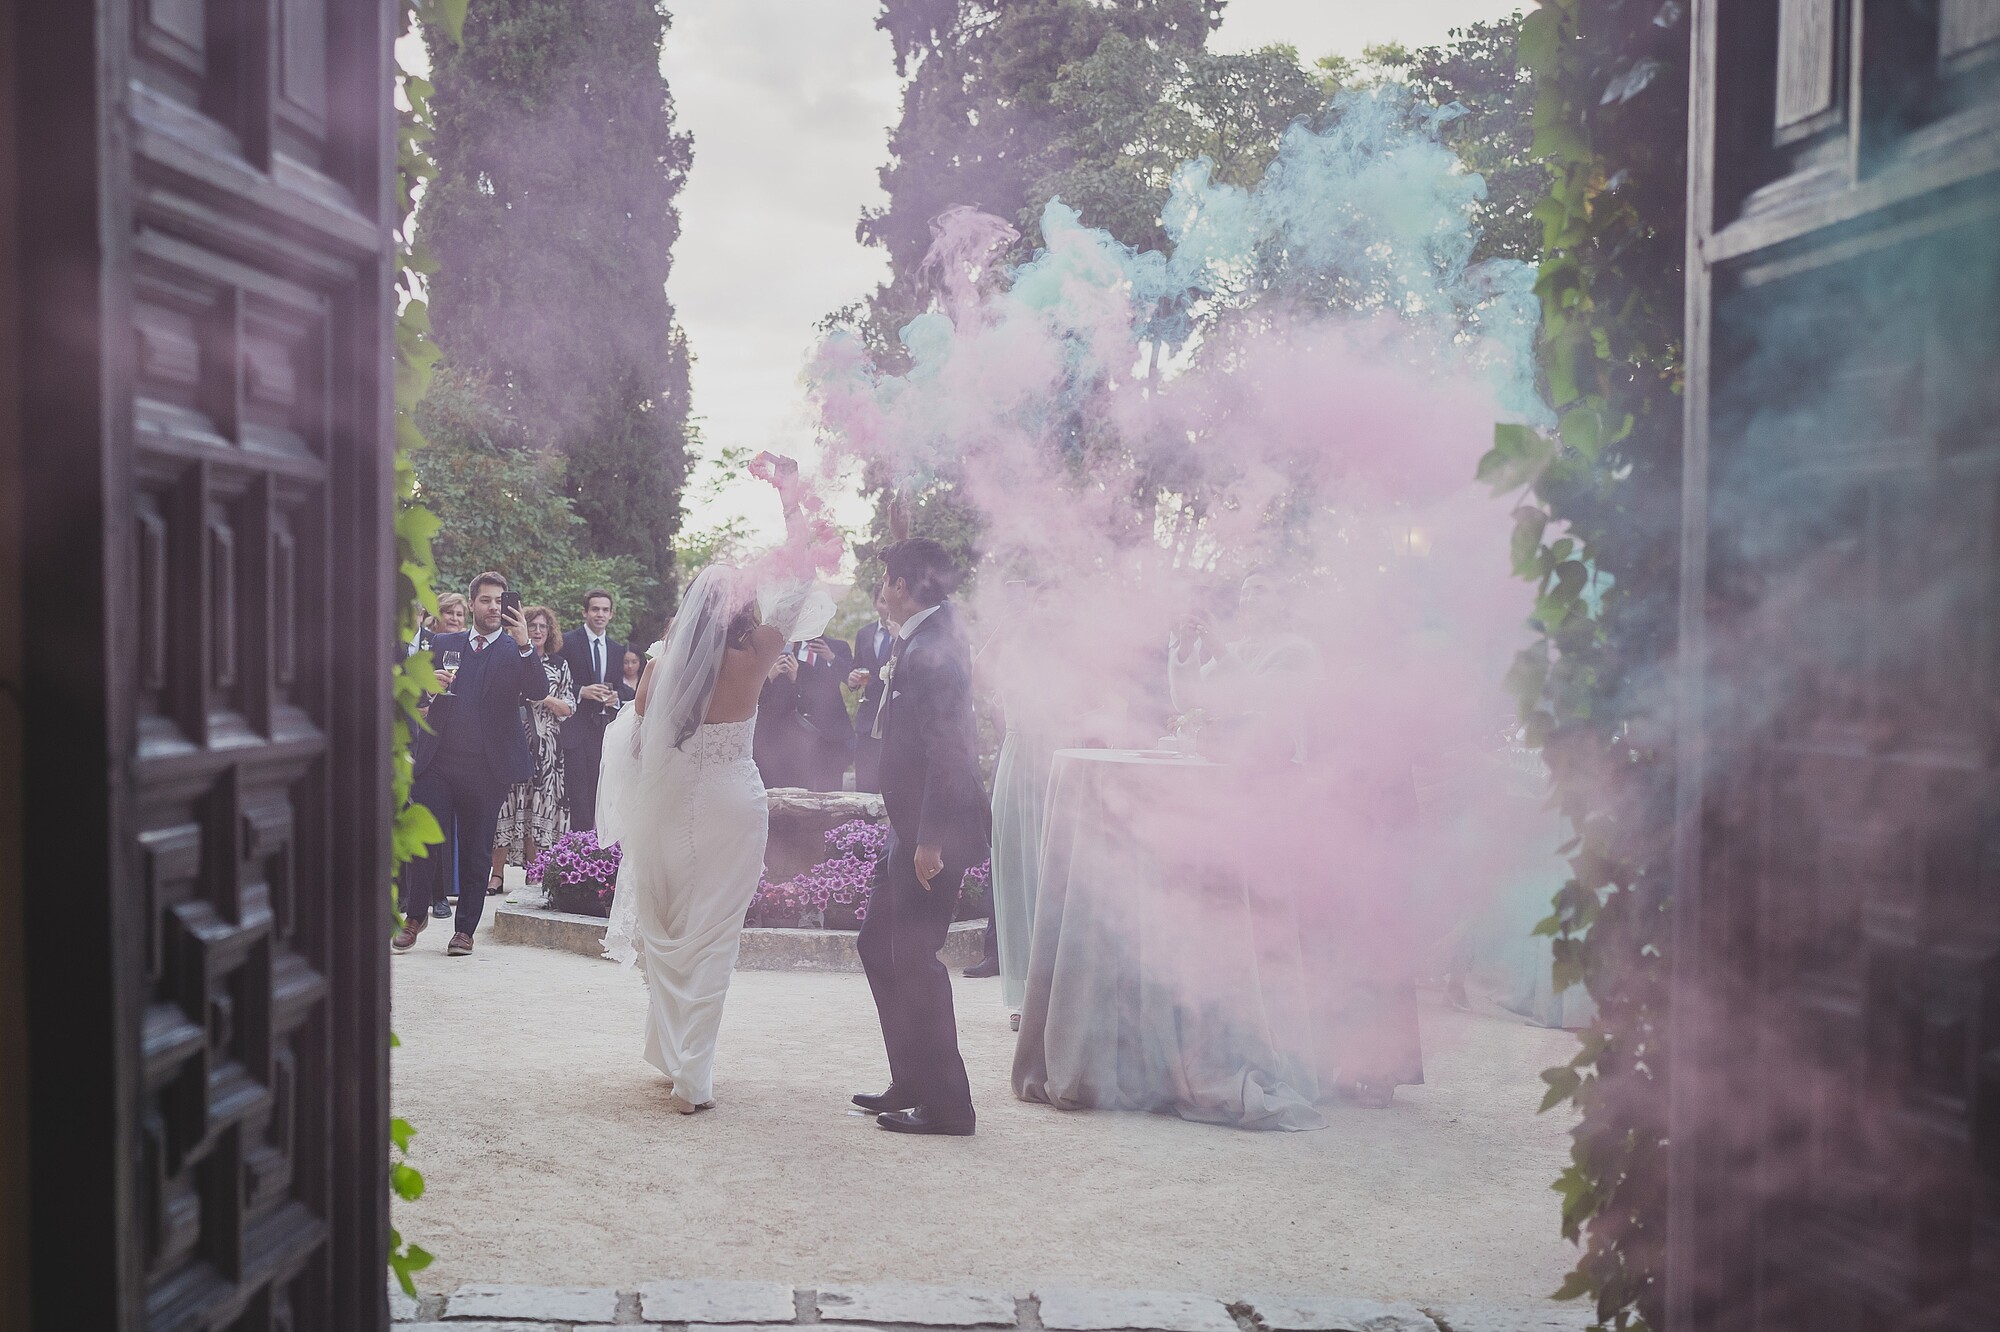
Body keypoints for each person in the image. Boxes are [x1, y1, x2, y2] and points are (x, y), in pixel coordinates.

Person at [598, 455, 836, 1113]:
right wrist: (791, 497)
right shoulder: (759, 652)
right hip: (734, 803)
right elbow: (803, 576)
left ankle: (675, 1055)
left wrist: (661, 649)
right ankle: (692, 1075)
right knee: (715, 938)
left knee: (672, 926)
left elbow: (640, 727)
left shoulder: (662, 664)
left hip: (674, 802)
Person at [852, 538, 989, 1136]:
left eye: (886, 578)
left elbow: (951, 751)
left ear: (905, 584)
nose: (881, 589)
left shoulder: (938, 647)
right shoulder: (923, 636)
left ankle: (948, 1106)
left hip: (933, 834)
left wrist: (929, 841)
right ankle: (910, 1078)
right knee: (877, 946)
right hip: (907, 828)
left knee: (913, 956)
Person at [393, 572, 550, 957]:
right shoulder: (444, 642)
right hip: (437, 763)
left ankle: (464, 931)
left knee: (476, 850)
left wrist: (526, 643)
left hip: (486, 768)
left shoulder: (517, 649)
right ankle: (415, 917)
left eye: (499, 601)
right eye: (485, 600)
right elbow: (415, 695)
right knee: (422, 842)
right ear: (473, 603)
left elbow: (538, 691)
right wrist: (429, 686)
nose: (493, 607)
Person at [492, 606, 577, 894]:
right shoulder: (509, 658)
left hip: (547, 750)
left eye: (543, 626)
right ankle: (497, 874)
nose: (538, 631)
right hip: (511, 740)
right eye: (533, 626)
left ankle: (535, 871)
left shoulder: (559, 665)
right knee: (507, 804)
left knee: (538, 807)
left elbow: (569, 707)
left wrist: (544, 696)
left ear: (549, 631)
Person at [559, 588, 626, 831]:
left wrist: (616, 697)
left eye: (605, 610)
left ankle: (596, 849)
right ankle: (578, 847)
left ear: (611, 614)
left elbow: (623, 688)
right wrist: (580, 691)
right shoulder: (566, 642)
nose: (600, 614)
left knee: (601, 791)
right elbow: (555, 679)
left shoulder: (617, 649)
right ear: (584, 612)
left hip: (605, 731)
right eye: (595, 609)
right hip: (575, 729)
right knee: (578, 794)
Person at [847, 596, 897, 792]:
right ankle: (864, 824)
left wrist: (898, 638)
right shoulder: (864, 634)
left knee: (892, 786)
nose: (887, 605)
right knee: (865, 784)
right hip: (867, 719)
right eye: (883, 601)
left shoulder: (904, 633)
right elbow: (856, 666)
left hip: (893, 719)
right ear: (875, 604)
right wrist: (852, 681)